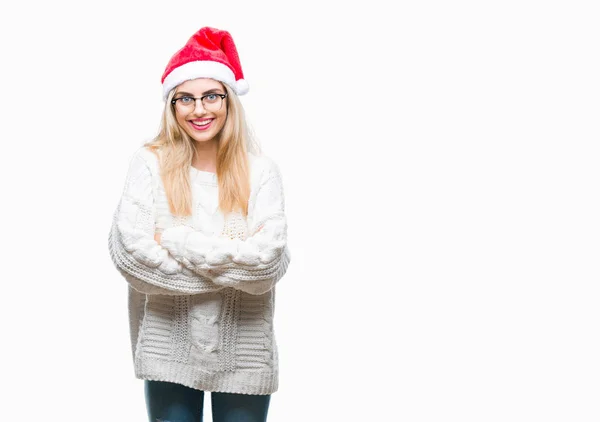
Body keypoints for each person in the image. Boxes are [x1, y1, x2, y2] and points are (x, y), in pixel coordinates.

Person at [108, 26, 291, 422]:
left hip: (245, 350)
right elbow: (132, 258)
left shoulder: (261, 172)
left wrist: (176, 239)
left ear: (229, 101)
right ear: (172, 107)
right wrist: (232, 266)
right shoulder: (149, 164)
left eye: (212, 96)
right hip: (167, 346)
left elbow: (266, 267)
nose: (199, 109)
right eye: (185, 99)